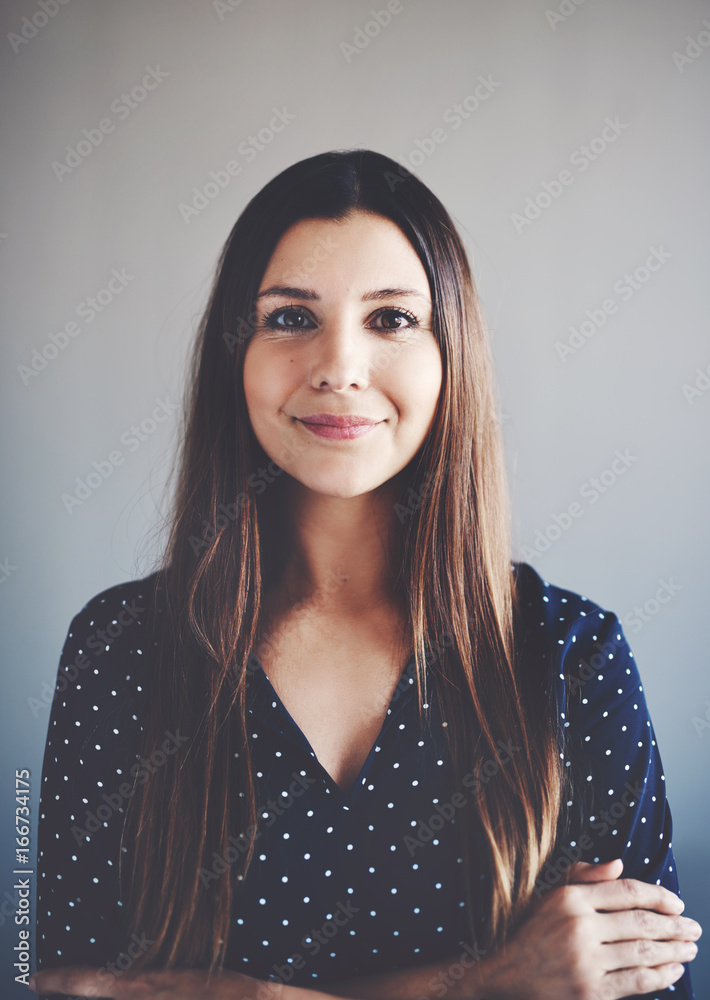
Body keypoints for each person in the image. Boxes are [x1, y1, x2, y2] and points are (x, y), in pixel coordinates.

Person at [32, 149, 701, 1000]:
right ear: (232, 354)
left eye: (390, 320)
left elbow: (653, 981)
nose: (339, 367)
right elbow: (51, 972)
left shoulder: (571, 654)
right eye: (288, 318)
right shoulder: (118, 645)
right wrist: (485, 985)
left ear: (450, 352)